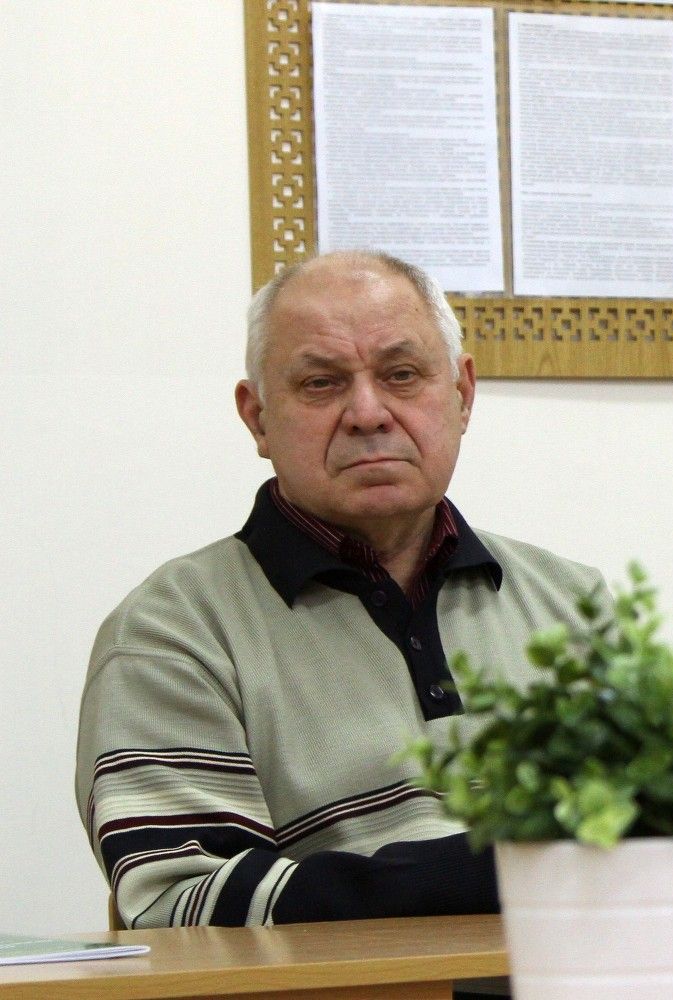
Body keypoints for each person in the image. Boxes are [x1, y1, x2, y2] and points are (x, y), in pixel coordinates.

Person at [76, 251, 605, 928]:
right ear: (257, 418)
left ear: (463, 394)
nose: (367, 413)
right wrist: (503, 872)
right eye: (321, 384)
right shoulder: (171, 634)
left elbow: (662, 845)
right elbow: (181, 907)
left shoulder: (572, 605)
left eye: (401, 375)